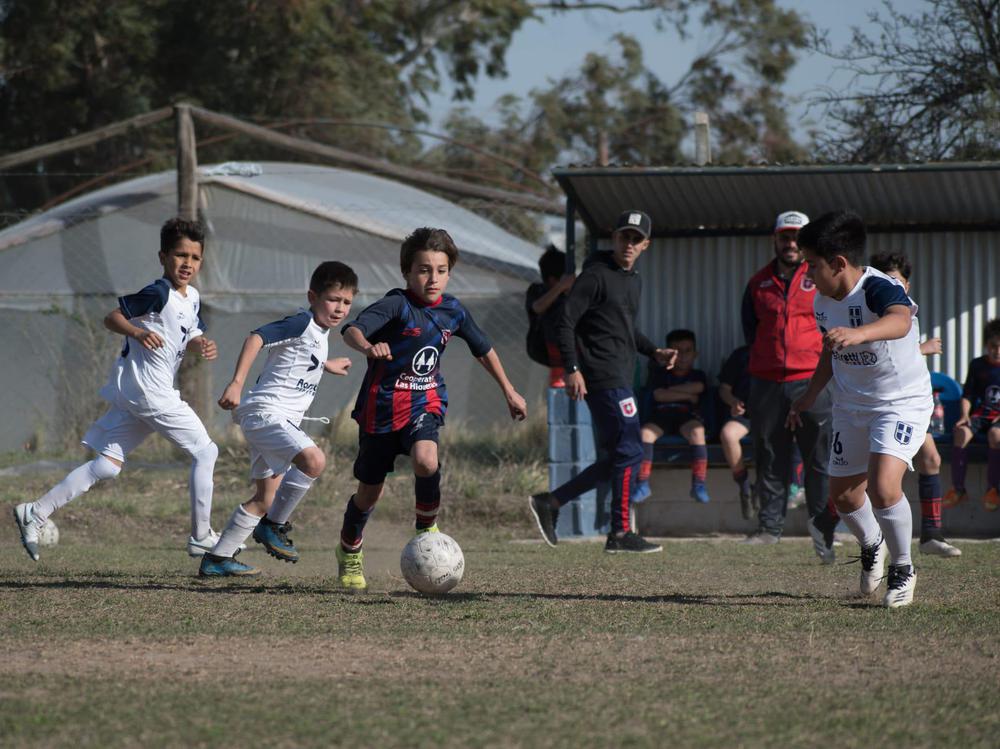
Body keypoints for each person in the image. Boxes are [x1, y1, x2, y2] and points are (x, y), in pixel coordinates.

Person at [13, 218, 220, 561]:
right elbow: (112, 318)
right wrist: (137, 332)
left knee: (107, 465)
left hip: (138, 394)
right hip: (149, 392)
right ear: (163, 256)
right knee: (206, 452)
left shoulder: (192, 297)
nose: (187, 263)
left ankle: (35, 511)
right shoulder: (159, 292)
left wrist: (200, 344)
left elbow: (191, 328)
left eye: (195, 258)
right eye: (180, 255)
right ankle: (201, 537)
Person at [334, 227, 527, 590]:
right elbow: (352, 330)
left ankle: (426, 529)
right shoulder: (396, 304)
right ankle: (349, 549)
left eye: (440, 270)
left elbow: (482, 349)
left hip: (425, 401)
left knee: (426, 459)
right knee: (369, 493)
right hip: (380, 410)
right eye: (424, 270)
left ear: (449, 272)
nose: (432, 278)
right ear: (408, 273)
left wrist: (510, 391)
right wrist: (367, 347)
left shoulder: (453, 310)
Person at [789, 210, 931, 608]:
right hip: (851, 404)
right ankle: (873, 544)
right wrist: (808, 395)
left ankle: (903, 567)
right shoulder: (821, 301)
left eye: (812, 266)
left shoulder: (879, 288)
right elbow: (828, 353)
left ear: (838, 263)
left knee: (885, 487)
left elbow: (900, 322)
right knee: (845, 496)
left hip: (900, 402)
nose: (808, 274)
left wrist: (859, 333)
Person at [527, 210, 677, 553]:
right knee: (630, 449)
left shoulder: (632, 279)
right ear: (614, 237)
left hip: (620, 375)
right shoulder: (595, 276)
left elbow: (624, 329)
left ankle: (552, 502)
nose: (629, 244)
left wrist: (654, 351)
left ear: (645, 245)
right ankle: (621, 532)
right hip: (601, 375)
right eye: (624, 236)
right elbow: (564, 321)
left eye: (636, 239)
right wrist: (572, 368)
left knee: (618, 456)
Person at [198, 261, 357, 577]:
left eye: (347, 302)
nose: (340, 309)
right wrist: (236, 383)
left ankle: (218, 559)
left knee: (264, 498)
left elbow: (297, 358)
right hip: (266, 415)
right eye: (333, 299)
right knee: (314, 460)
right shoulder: (301, 322)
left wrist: (325, 365)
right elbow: (256, 337)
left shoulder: (319, 334)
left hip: (273, 421)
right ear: (313, 296)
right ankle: (273, 526)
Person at [741, 210, 832, 547]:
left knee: (819, 458)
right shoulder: (758, 282)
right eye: (785, 236)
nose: (791, 243)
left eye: (796, 237)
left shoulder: (820, 277)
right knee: (769, 455)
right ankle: (769, 529)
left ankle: (823, 529)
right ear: (775, 239)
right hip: (767, 383)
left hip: (813, 381)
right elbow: (751, 331)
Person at [868, 251, 961, 556]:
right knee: (875, 480)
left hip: (912, 402)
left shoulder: (908, 313)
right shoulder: (877, 316)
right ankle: (853, 528)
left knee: (931, 459)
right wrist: (924, 348)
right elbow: (887, 357)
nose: (893, 286)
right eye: (886, 280)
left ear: (907, 285)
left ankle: (931, 534)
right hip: (887, 405)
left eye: (898, 281)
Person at [634, 329, 709, 504]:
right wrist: (688, 395)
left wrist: (671, 391)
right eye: (677, 352)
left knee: (698, 433)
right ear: (668, 354)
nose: (682, 356)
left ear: (695, 354)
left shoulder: (699, 375)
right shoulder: (660, 374)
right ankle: (642, 484)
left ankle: (699, 484)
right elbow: (659, 396)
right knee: (645, 433)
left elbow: (698, 387)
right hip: (662, 415)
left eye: (687, 351)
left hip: (687, 416)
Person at [944, 318, 1000, 511]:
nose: (997, 351)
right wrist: (964, 415)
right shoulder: (977, 365)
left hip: (999, 420)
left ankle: (993, 489)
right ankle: (958, 489)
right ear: (987, 345)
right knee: (961, 433)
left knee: (996, 435)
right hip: (982, 414)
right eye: (993, 346)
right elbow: (968, 394)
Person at [525, 244, 575, 387]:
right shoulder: (537, 291)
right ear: (553, 280)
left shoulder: (574, 293)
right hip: (544, 351)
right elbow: (537, 308)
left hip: (571, 355)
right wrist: (561, 287)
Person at [718, 344, 756, 519]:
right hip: (745, 415)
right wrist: (733, 402)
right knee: (728, 434)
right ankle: (745, 486)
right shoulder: (741, 355)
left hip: (772, 416)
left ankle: (763, 488)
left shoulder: (779, 351)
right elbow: (724, 389)